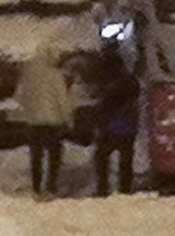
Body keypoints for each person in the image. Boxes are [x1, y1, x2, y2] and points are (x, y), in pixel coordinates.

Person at [13, 41, 77, 197]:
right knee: (54, 155)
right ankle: (51, 186)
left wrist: (28, 111)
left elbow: (19, 96)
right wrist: (68, 118)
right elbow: (62, 99)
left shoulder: (28, 75)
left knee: (36, 156)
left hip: (34, 123)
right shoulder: (55, 75)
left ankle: (36, 187)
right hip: (53, 122)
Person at [92, 40, 140, 196]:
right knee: (125, 154)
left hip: (111, 122)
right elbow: (135, 92)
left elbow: (104, 100)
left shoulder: (104, 76)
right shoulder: (127, 77)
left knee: (102, 155)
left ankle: (103, 187)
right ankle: (125, 186)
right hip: (126, 121)